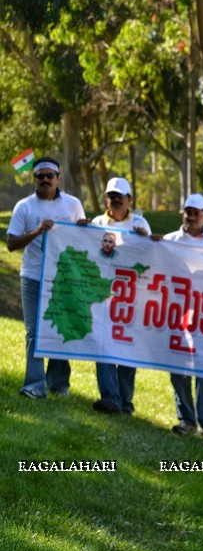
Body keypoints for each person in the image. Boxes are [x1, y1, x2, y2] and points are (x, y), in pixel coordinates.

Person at [7, 157, 86, 399]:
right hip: (32, 277)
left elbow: (82, 239)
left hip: (62, 279)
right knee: (34, 332)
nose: (44, 180)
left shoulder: (72, 205)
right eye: (40, 176)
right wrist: (37, 231)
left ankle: (59, 385)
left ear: (58, 178)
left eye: (49, 175)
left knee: (60, 330)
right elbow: (11, 243)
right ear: (34, 179)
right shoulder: (24, 207)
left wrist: (85, 229)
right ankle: (34, 385)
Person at [163, 193, 203, 436]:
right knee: (178, 366)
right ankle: (186, 420)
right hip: (176, 312)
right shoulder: (170, 240)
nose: (190, 217)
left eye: (196, 213)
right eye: (187, 212)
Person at [90, 177, 153, 414]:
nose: (115, 200)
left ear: (129, 200)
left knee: (127, 348)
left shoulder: (140, 223)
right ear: (106, 199)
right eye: (111, 196)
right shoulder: (97, 222)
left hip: (131, 297)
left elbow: (150, 256)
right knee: (102, 344)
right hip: (103, 295)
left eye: (120, 196)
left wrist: (144, 239)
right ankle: (111, 397)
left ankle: (125, 401)